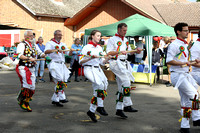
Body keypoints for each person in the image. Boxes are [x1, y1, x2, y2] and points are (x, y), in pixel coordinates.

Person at [166, 23, 200, 133]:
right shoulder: (174, 45)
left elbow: (186, 61)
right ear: (178, 32)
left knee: (186, 102)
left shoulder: (185, 45)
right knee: (194, 95)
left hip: (185, 74)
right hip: (178, 75)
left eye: (187, 30)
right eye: (185, 30)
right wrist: (182, 63)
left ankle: (184, 126)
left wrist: (194, 61)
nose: (187, 32)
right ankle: (196, 118)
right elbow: (169, 60)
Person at [106, 23, 141, 118]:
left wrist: (136, 51)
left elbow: (129, 52)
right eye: (123, 30)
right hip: (116, 63)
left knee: (121, 87)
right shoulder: (112, 40)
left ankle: (119, 109)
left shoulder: (125, 40)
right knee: (126, 81)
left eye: (126, 30)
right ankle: (127, 105)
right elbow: (108, 52)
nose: (125, 32)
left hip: (124, 63)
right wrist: (118, 52)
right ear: (118, 29)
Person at [79, 30, 111, 122]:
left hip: (98, 69)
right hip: (89, 69)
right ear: (92, 36)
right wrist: (90, 58)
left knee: (104, 85)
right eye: (97, 36)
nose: (99, 37)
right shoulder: (86, 47)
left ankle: (91, 111)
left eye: (100, 36)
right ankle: (100, 106)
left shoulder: (100, 48)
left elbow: (101, 61)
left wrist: (107, 59)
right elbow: (80, 61)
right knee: (100, 86)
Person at [16, 30, 45, 112]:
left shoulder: (34, 45)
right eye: (31, 35)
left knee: (32, 87)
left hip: (32, 68)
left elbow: (40, 53)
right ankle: (22, 101)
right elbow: (19, 55)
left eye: (33, 35)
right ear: (26, 37)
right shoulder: (22, 45)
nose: (33, 37)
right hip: (24, 67)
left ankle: (26, 101)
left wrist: (45, 55)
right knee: (26, 85)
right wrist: (29, 58)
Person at [45, 30, 73, 107]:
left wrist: (71, 51)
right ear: (54, 35)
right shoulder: (50, 43)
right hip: (54, 63)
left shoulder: (63, 44)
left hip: (61, 64)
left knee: (62, 81)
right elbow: (46, 51)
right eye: (58, 35)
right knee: (60, 79)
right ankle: (62, 97)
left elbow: (68, 54)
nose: (60, 36)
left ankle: (55, 99)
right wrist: (55, 50)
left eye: (61, 35)